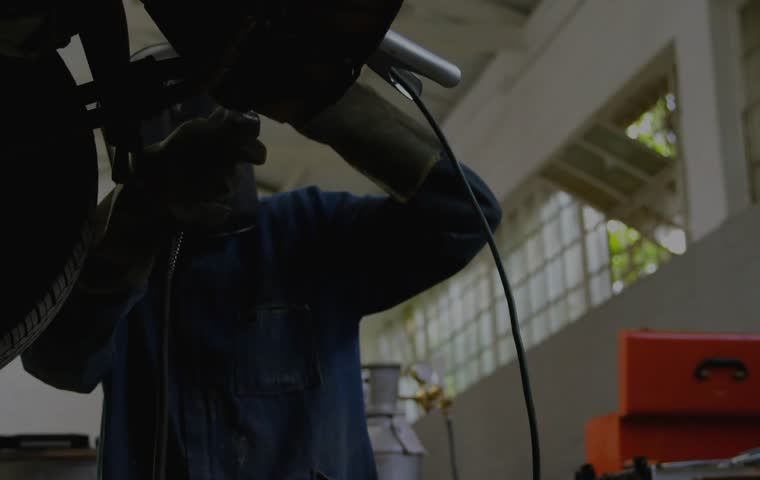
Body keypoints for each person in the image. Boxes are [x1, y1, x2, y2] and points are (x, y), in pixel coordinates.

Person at [21, 42, 501, 480]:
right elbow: (58, 362)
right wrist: (138, 216)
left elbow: (465, 216)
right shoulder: (118, 267)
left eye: (219, 104)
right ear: (139, 150)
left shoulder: (313, 234)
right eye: (180, 117)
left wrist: (324, 103)